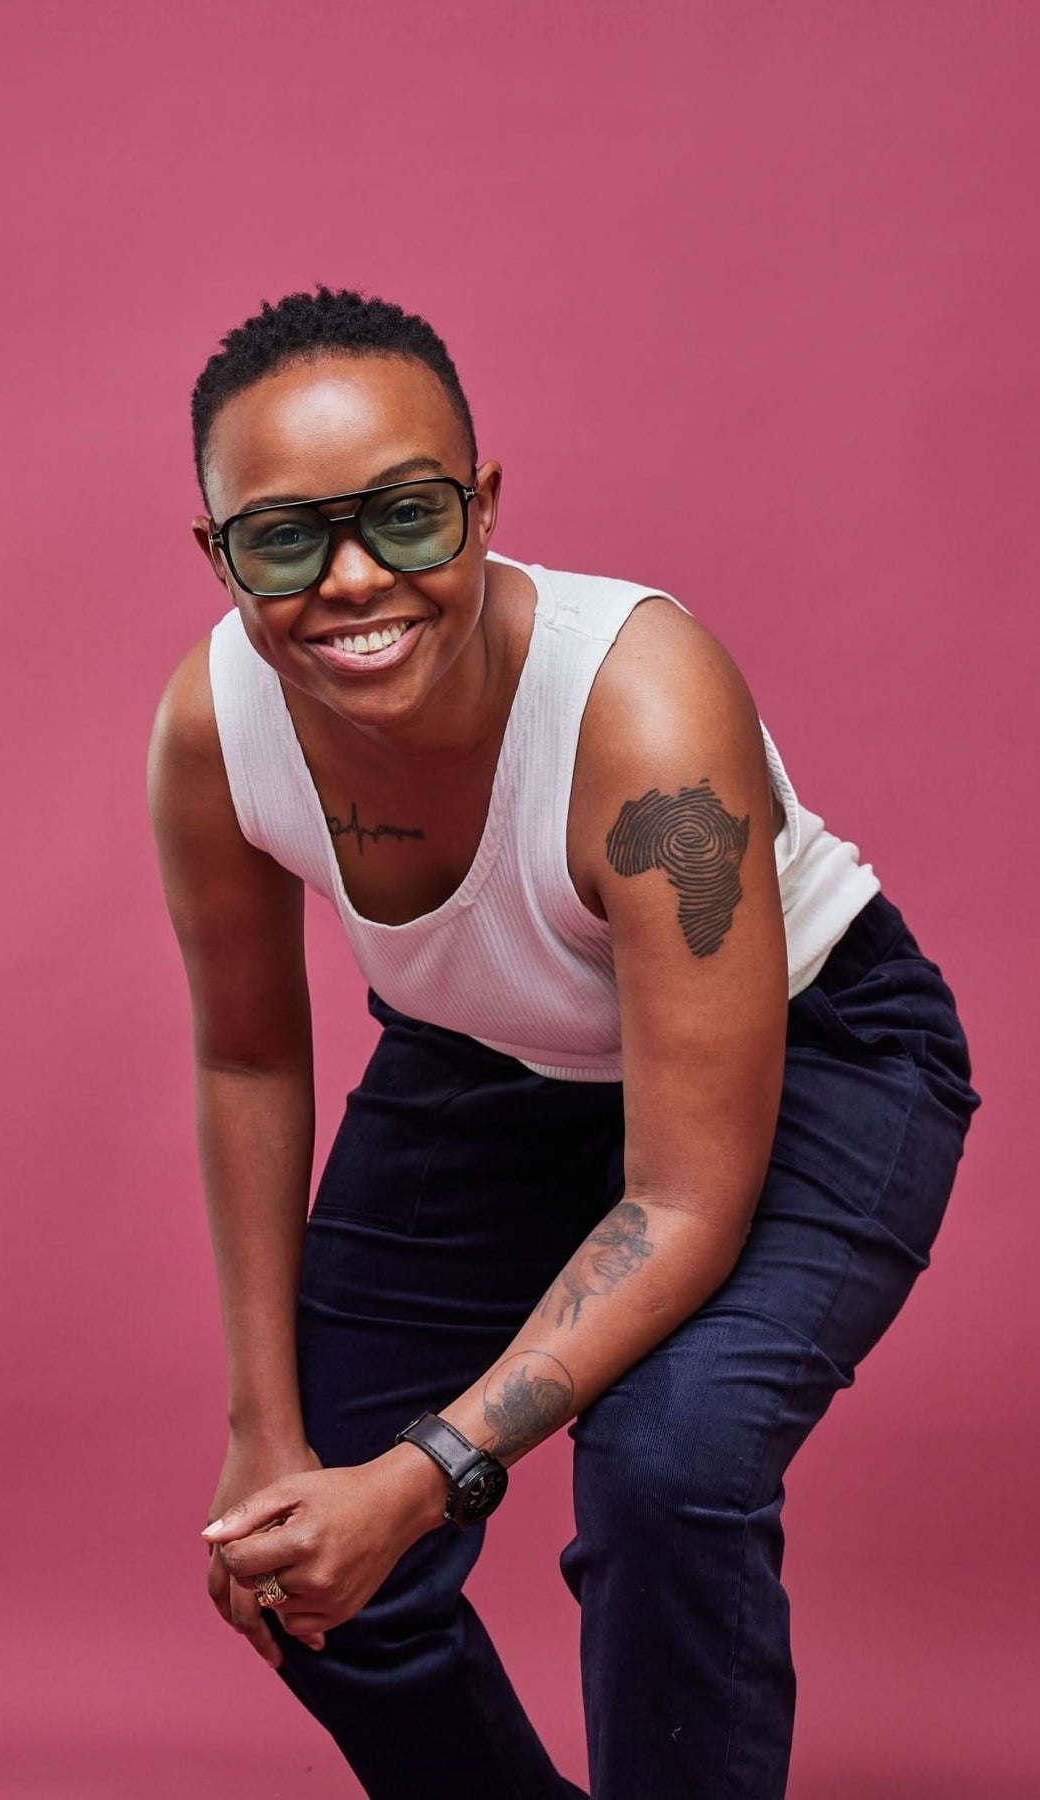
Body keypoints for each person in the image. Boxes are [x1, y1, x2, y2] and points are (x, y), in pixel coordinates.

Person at [146, 285, 983, 1800]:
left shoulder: (640, 708)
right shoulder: (216, 727)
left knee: (668, 1468)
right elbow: (247, 1059)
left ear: (482, 505)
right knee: (297, 1547)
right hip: (487, 1063)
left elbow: (681, 1198)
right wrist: (267, 1430)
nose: (353, 580)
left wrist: (420, 1481)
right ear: (218, 555)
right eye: (283, 539)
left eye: (406, 515)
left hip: (813, 1061)